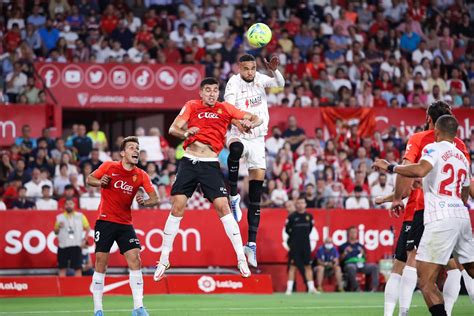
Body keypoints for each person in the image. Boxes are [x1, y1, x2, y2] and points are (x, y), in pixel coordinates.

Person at [154, 77, 262, 282]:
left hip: (210, 163)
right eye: (208, 90)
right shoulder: (191, 105)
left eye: (215, 90)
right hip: (188, 161)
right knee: (177, 207)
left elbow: (257, 119)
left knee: (223, 207)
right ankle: (164, 258)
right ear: (201, 93)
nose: (212, 94)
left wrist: (250, 121)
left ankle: (240, 258)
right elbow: (173, 129)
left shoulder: (226, 108)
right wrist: (187, 133)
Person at [374, 115, 474, 316]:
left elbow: (420, 168)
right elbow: (464, 192)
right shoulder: (462, 156)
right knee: (469, 270)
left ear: (436, 131)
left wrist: (390, 167)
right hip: (462, 218)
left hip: (439, 219)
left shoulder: (433, 148)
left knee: (426, 282)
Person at [87, 136, 159, 316]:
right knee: (101, 264)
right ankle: (98, 309)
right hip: (105, 221)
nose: (136, 151)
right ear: (122, 153)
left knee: (136, 259)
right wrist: (100, 182)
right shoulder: (109, 166)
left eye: (137, 148)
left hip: (125, 223)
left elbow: (155, 198)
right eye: (132, 148)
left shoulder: (141, 175)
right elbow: (90, 179)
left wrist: (145, 202)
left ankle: (138, 307)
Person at [224, 54, 285, 268]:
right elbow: (228, 111)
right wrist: (240, 123)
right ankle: (232, 195)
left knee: (256, 193)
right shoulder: (233, 82)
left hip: (258, 139)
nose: (249, 72)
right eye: (246, 68)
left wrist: (273, 70)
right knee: (236, 149)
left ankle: (251, 244)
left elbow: (280, 84)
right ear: (239, 67)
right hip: (238, 134)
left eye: (252, 68)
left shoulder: (260, 78)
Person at [285, 196, 319, 295]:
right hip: (295, 246)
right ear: (296, 205)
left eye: (302, 203)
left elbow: (310, 229)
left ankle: (311, 288)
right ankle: (289, 290)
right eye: (298, 203)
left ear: (305, 204)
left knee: (308, 266)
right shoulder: (291, 217)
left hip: (306, 245)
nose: (300, 205)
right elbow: (288, 230)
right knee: (293, 266)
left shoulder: (309, 217)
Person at [54, 199, 90, 277]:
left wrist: (85, 240)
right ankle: (62, 288)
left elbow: (88, 228)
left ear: (74, 205)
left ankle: (78, 287)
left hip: (76, 245)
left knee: (78, 268)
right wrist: (58, 227)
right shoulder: (59, 217)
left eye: (70, 204)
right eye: (67, 204)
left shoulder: (80, 216)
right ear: (64, 206)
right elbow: (55, 232)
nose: (69, 205)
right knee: (62, 268)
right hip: (63, 246)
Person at [339, 226, 379, 292]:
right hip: (350, 264)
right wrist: (345, 252)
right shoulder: (343, 246)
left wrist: (363, 254)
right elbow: (340, 259)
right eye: (352, 232)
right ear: (348, 234)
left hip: (361, 264)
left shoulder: (360, 246)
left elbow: (365, 258)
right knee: (351, 267)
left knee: (374, 266)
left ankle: (374, 288)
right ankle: (357, 289)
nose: (353, 234)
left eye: (355, 232)